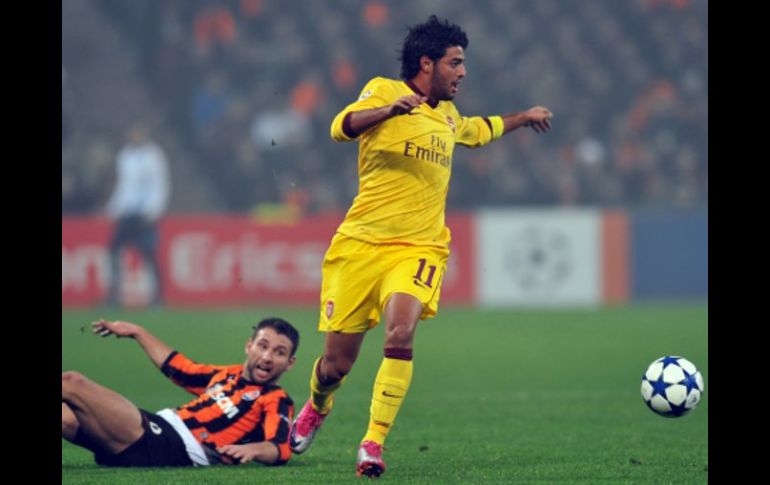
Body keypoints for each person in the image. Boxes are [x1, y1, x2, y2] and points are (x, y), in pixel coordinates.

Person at [288, 15, 553, 478]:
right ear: (427, 63)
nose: (463, 72)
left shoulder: (450, 116)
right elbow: (340, 126)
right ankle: (318, 404)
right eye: (455, 63)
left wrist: (524, 118)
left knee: (400, 334)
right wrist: (389, 112)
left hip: (420, 247)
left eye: (463, 63)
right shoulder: (383, 91)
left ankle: (372, 443)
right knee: (335, 365)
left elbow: (482, 129)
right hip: (361, 245)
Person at [62, 317, 299, 467]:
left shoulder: (275, 399)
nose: (267, 357)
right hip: (156, 430)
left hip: (171, 445)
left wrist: (252, 450)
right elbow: (180, 368)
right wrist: (137, 331)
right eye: (263, 346)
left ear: (289, 363)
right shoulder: (228, 375)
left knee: (72, 382)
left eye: (279, 352)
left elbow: (281, 448)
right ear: (249, 346)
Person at [104, 122, 171, 307]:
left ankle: (157, 298)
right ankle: (114, 295)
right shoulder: (125, 155)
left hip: (145, 214)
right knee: (113, 251)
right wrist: (112, 209)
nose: (135, 137)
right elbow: (124, 186)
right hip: (127, 212)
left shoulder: (154, 155)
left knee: (149, 254)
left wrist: (154, 210)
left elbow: (160, 184)